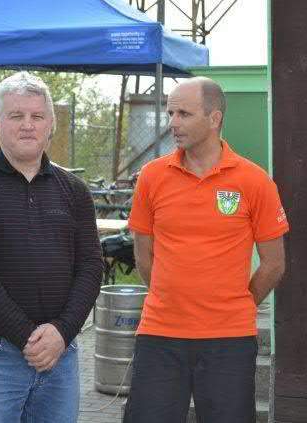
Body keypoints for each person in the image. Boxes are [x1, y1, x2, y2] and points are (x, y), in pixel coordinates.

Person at [123, 77, 289, 423]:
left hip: (229, 338)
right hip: (160, 334)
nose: (173, 123)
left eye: (184, 114)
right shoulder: (151, 177)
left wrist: (237, 305)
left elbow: (274, 264)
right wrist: (172, 298)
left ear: (214, 119)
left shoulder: (254, 180)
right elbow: (143, 255)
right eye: (171, 113)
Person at [0, 71, 103, 423]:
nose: (28, 125)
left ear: (50, 125)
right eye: (17, 115)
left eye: (37, 116)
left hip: (60, 354)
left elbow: (91, 266)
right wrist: (27, 337)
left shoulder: (74, 190)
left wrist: (62, 332)